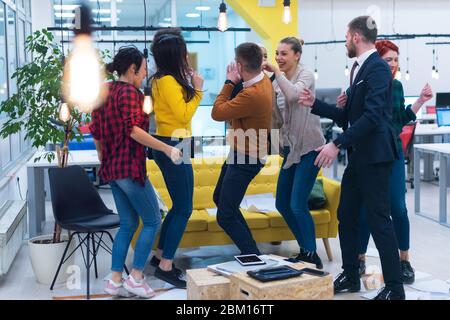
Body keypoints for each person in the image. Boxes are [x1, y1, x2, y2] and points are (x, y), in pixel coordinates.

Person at [299, 16, 405, 300]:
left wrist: (336, 144)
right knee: (346, 215)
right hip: (360, 156)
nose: (345, 42)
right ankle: (350, 274)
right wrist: (316, 104)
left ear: (356, 37)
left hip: (375, 157)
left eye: (346, 37)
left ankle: (395, 288)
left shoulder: (377, 68)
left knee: (379, 219)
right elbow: (350, 116)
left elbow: (372, 117)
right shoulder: (359, 69)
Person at [90, 46, 181, 298]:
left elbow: (96, 132)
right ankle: (137, 277)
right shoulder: (131, 93)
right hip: (129, 168)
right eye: (143, 69)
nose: (145, 74)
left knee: (129, 224)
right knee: (153, 221)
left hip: (112, 170)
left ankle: (116, 280)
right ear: (132, 69)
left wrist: (104, 157)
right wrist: (166, 148)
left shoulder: (104, 91)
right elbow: (133, 130)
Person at [356, 40, 433, 282]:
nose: (392, 64)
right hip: (370, 154)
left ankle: (405, 260)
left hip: (394, 152)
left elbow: (399, 119)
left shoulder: (396, 86)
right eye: (388, 59)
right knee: (367, 209)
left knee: (398, 208)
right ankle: (359, 259)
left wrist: (420, 101)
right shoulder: (365, 82)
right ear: (377, 59)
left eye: (395, 60)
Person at [263, 37, 325, 269]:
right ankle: (306, 249)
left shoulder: (305, 75)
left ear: (297, 55)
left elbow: (293, 96)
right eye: (277, 53)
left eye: (284, 54)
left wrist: (276, 74)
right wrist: (278, 144)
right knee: (282, 203)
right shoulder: (276, 82)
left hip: (310, 148)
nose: (279, 58)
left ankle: (311, 253)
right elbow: (275, 118)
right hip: (290, 150)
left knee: (297, 204)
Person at [149, 29, 204, 288]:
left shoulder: (161, 79)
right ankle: (167, 265)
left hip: (174, 141)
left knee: (178, 206)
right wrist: (199, 90)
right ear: (176, 56)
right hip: (175, 144)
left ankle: (160, 255)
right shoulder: (168, 81)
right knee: (184, 208)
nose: (186, 56)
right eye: (183, 52)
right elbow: (183, 115)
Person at [212, 42, 273, 255]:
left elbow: (217, 112)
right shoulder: (264, 80)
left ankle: (253, 255)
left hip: (247, 157)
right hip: (241, 152)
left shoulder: (252, 94)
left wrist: (229, 82)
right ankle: (252, 250)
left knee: (225, 215)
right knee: (219, 198)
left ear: (239, 65)